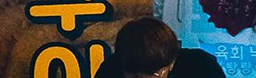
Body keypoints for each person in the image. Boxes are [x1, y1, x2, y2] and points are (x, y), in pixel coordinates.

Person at [94, 18, 226, 78]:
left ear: (171, 63)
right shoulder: (112, 69)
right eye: (135, 77)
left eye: (154, 74)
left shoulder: (201, 67)